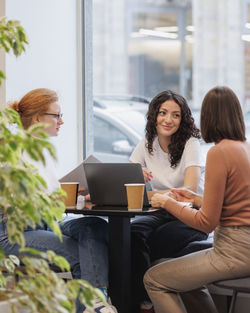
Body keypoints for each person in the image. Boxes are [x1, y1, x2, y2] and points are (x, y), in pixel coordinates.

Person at [0, 88, 116, 313]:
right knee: (81, 256)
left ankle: (97, 299)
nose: (61, 121)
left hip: (44, 224)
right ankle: (95, 305)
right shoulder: (14, 150)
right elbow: (27, 203)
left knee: (94, 226)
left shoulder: (42, 150)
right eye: (57, 115)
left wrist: (80, 193)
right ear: (37, 118)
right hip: (13, 234)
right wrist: (62, 197)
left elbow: (51, 196)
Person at [144, 86, 250, 313]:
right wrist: (196, 199)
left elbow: (206, 223)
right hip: (245, 247)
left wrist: (167, 202)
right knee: (182, 279)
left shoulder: (219, 152)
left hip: (233, 251)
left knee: (154, 278)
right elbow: (235, 205)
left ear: (209, 116)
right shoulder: (243, 148)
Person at [129, 90, 208, 313]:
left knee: (156, 242)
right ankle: (144, 302)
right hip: (160, 211)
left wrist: (154, 196)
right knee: (132, 235)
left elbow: (189, 189)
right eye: (163, 113)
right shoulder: (146, 143)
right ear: (154, 115)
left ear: (182, 120)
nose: (168, 120)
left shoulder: (190, 143)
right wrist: (138, 177)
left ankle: (150, 300)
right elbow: (128, 184)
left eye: (175, 115)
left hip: (189, 212)